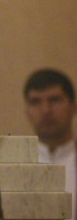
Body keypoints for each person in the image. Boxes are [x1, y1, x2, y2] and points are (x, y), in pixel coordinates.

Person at [24, 68, 77, 220]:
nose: (46, 110)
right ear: (27, 112)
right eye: (36, 102)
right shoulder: (10, 168)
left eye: (54, 100)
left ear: (73, 107)